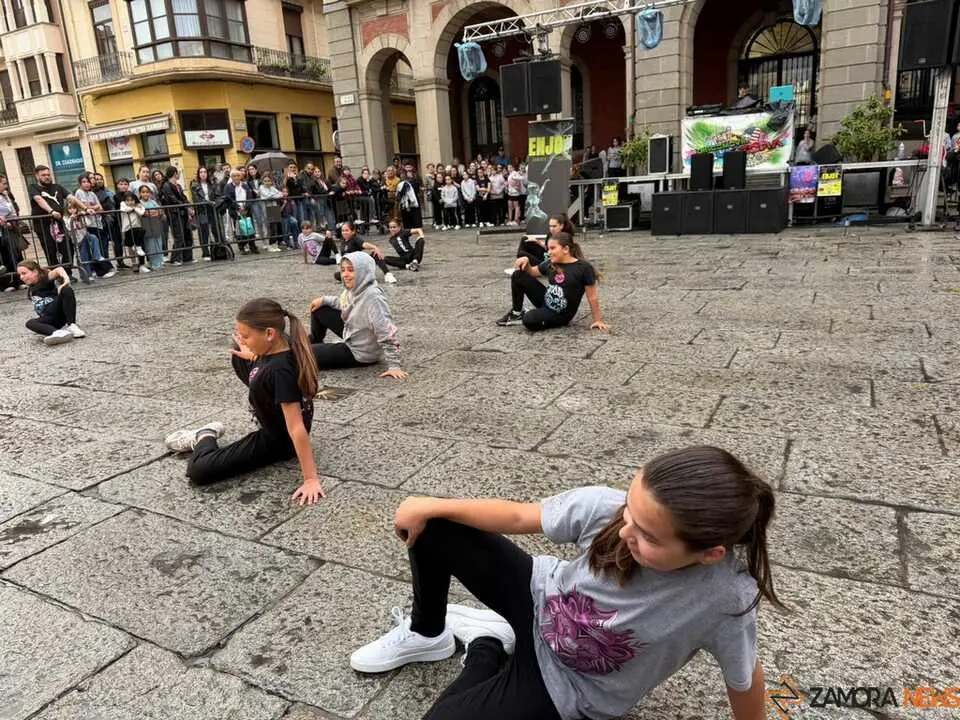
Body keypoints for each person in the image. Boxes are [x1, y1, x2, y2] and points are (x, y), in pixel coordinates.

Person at [349, 446, 778, 720]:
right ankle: (428, 634)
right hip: (540, 599)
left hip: (569, 686)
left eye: (647, 535)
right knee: (434, 526)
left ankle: (486, 647)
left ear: (709, 554)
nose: (626, 531)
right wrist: (431, 504)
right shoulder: (605, 509)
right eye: (630, 510)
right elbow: (518, 516)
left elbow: (744, 677)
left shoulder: (725, 598)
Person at [164, 297, 325, 503]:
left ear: (269, 334)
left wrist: (310, 478)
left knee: (199, 470)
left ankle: (204, 435)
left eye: (247, 336)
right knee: (239, 354)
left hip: (277, 441)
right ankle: (253, 365)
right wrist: (252, 356)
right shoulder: (282, 348)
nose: (243, 339)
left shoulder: (280, 371)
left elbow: (296, 428)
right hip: (273, 410)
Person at [307, 251, 407, 379]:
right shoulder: (356, 288)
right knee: (320, 309)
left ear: (363, 272)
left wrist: (394, 365)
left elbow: (386, 330)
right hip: (353, 333)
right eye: (343, 270)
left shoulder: (373, 298)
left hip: (361, 352)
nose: (345, 275)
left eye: (351, 270)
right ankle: (315, 341)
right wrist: (325, 299)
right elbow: (345, 304)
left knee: (303, 354)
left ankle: (312, 348)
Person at [497, 232, 608, 332]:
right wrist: (526, 263)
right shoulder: (551, 263)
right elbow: (532, 272)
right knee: (518, 275)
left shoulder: (583, 268)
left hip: (560, 314)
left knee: (529, 320)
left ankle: (531, 315)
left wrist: (597, 320)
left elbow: (592, 297)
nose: (549, 252)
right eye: (548, 249)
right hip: (545, 301)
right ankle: (517, 313)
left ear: (566, 249)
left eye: (552, 248)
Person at [17, 259, 86, 345]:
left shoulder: (44, 279)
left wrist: (66, 279)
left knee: (66, 290)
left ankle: (71, 325)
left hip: (57, 312)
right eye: (20, 274)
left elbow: (58, 269)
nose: (21, 277)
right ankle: (57, 333)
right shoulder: (31, 287)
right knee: (30, 323)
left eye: (24, 273)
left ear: (35, 272)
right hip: (49, 319)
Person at [28, 166, 72, 271]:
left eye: (48, 174)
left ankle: (67, 270)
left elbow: (71, 197)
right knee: (50, 249)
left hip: (58, 223)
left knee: (67, 246)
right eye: (43, 175)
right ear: (37, 176)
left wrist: (84, 208)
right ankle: (56, 273)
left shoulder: (57, 186)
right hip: (43, 225)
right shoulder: (33, 187)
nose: (47, 177)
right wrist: (51, 211)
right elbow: (39, 199)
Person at [505, 214, 574, 276]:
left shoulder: (564, 238)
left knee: (521, 253)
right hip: (546, 254)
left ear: (561, 226)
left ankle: (522, 266)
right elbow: (548, 248)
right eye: (550, 226)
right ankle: (521, 265)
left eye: (554, 226)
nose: (551, 229)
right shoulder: (550, 234)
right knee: (525, 239)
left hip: (548, 262)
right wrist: (538, 242)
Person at [337, 220, 397, 284]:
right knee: (337, 275)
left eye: (346, 230)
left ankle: (387, 274)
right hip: (351, 268)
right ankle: (363, 277)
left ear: (353, 231)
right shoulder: (343, 242)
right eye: (343, 231)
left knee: (375, 254)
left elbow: (364, 244)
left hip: (360, 265)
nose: (344, 232)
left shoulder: (355, 239)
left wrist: (374, 247)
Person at [159, 166, 193, 265]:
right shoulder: (166, 185)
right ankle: (175, 258)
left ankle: (187, 257)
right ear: (174, 173)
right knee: (179, 236)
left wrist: (189, 206)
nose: (178, 174)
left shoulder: (178, 186)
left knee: (187, 235)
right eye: (178, 173)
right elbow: (172, 199)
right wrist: (185, 206)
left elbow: (184, 197)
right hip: (174, 214)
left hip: (183, 213)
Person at [0, 174, 26, 292]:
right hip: (2, 231)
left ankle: (18, 280)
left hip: (12, 229)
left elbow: (15, 208)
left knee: (16, 255)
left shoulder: (7, 195)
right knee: (5, 257)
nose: (6, 186)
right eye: (3, 183)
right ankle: (6, 283)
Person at [190, 166, 219, 260]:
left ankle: (219, 249)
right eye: (201, 172)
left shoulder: (212, 184)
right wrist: (208, 202)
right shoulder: (195, 186)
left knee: (216, 230)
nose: (203, 174)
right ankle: (205, 253)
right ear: (198, 174)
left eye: (205, 172)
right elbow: (196, 199)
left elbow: (217, 195)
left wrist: (215, 202)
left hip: (212, 210)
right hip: (202, 211)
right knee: (204, 232)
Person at [119, 190, 150, 273]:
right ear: (125, 201)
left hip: (138, 229)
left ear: (135, 200)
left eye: (132, 200)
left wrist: (135, 208)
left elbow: (142, 212)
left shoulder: (138, 205)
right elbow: (124, 209)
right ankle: (134, 264)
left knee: (140, 246)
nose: (130, 202)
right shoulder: (122, 204)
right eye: (127, 200)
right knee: (131, 247)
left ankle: (142, 265)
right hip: (128, 229)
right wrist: (134, 208)